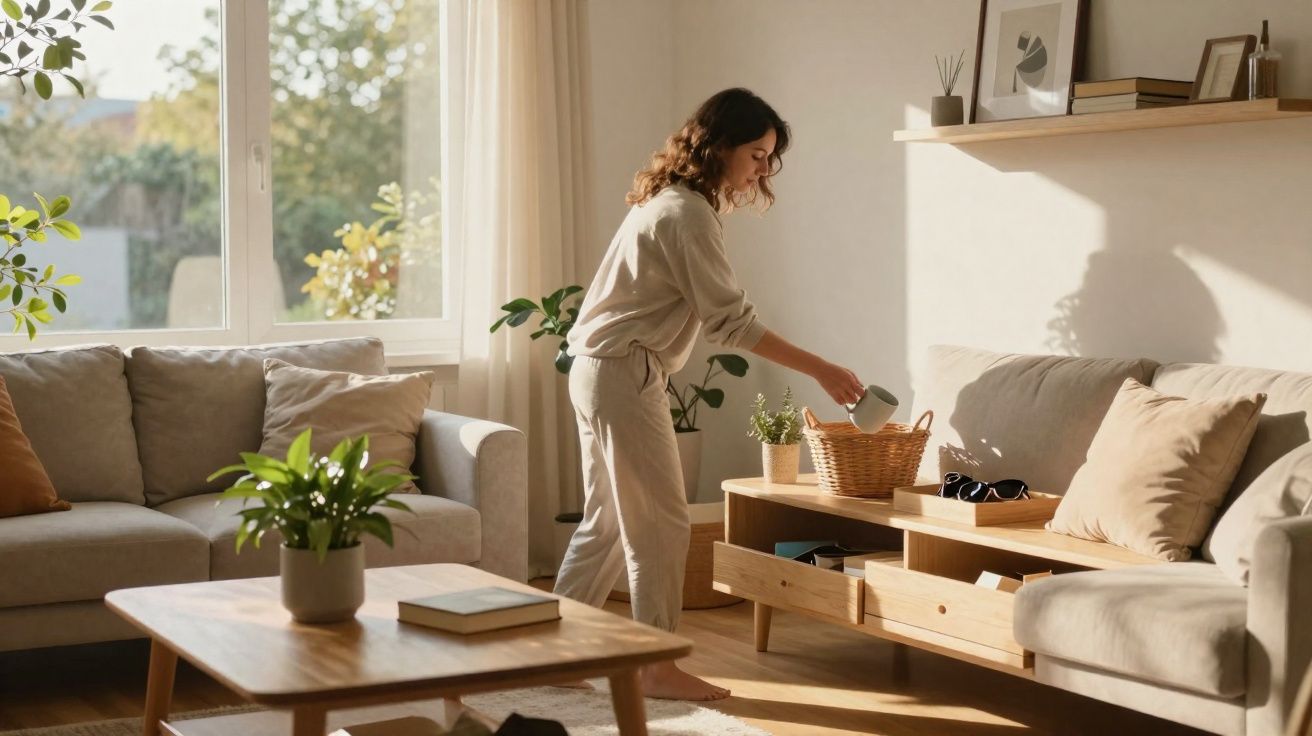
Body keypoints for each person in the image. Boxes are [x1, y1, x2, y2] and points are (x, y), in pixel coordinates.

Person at [553, 88, 865, 701]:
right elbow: (732, 322)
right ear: (719, 146)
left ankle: (548, 654)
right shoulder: (686, 213)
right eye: (755, 154)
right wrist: (822, 369)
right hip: (623, 371)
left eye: (769, 158)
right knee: (663, 526)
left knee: (608, 523)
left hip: (595, 366)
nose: (761, 170)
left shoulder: (666, 201)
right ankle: (654, 665)